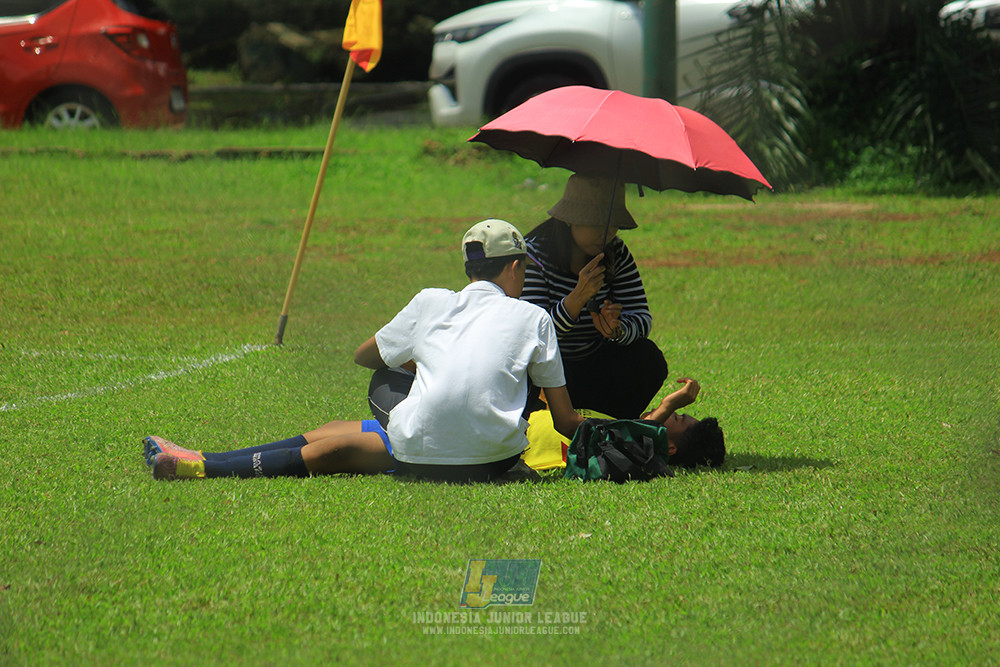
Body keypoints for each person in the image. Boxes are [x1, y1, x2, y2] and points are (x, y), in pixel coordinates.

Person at [145, 219, 585, 484]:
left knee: (381, 387)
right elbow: (566, 421)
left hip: (419, 457)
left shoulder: (431, 300)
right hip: (495, 461)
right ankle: (201, 463)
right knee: (339, 434)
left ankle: (203, 462)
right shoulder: (535, 317)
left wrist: (423, 361)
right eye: (525, 268)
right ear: (513, 267)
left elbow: (366, 356)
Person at [521, 173, 668, 418]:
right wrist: (575, 300)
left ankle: (611, 426)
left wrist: (617, 330)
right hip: (546, 374)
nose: (606, 234)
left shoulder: (616, 252)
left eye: (612, 225)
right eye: (596, 224)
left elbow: (642, 316)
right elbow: (531, 335)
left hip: (592, 362)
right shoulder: (535, 255)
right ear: (569, 220)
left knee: (648, 359)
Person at [640, 377, 726, 468]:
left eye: (676, 418)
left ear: (670, 448)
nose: (671, 412)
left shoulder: (627, 453)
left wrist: (667, 406)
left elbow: (635, 434)